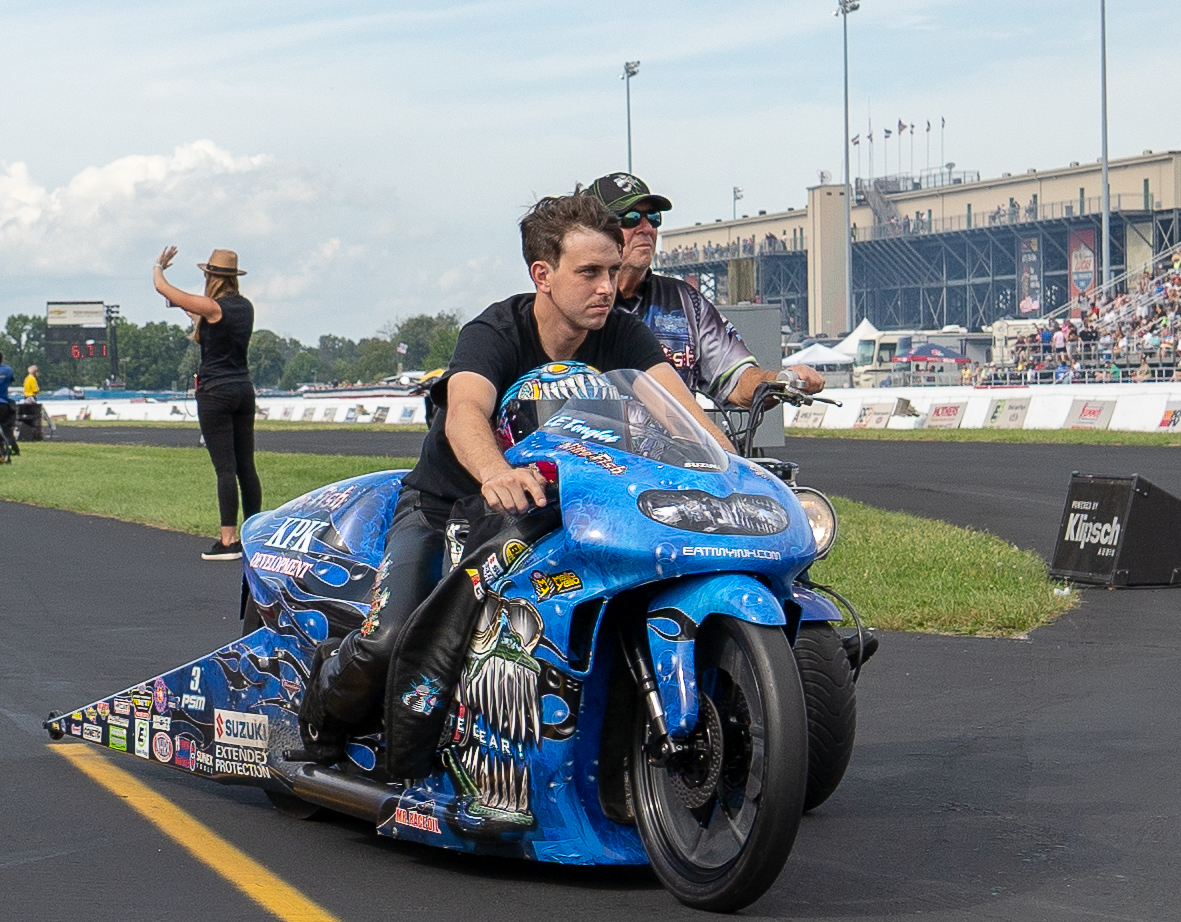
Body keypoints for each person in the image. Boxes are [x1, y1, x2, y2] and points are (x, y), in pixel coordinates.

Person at [296, 193, 728, 760]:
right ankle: (323, 716)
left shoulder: (624, 335)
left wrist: (733, 473)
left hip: (569, 511)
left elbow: (688, 418)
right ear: (542, 275)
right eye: (590, 272)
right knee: (391, 640)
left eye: (613, 271)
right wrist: (496, 472)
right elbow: (466, 412)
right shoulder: (495, 330)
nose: (606, 286)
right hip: (447, 506)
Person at [583, 172, 825, 408]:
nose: (646, 227)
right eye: (631, 218)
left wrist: (780, 380)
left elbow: (738, 379)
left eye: (654, 217)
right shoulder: (575, 301)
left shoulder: (685, 301)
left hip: (674, 447)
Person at [153, 246, 261, 561]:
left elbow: (163, 287)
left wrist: (159, 266)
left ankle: (227, 540)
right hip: (243, 388)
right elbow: (200, 313)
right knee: (246, 467)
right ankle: (252, 533)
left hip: (215, 391)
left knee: (225, 468)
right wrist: (184, 306)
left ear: (211, 276)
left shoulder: (213, 307)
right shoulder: (244, 307)